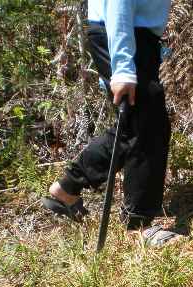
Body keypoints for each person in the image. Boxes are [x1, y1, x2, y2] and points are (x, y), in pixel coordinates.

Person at [43, 0, 172, 231]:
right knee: (147, 127)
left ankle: (68, 187)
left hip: (130, 35)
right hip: (123, 32)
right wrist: (123, 68)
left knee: (136, 125)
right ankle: (138, 223)